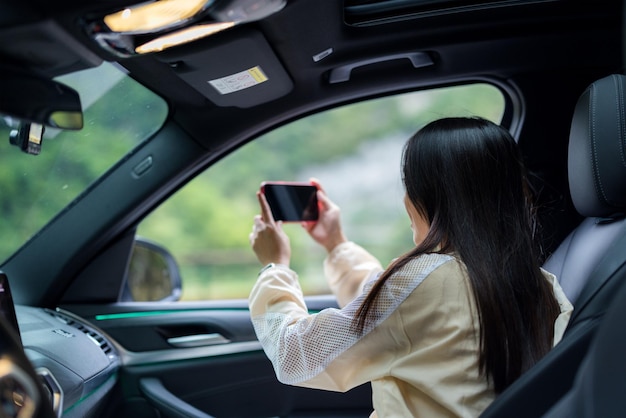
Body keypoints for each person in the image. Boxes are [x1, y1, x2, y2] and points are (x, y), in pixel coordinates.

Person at [248, 117, 573, 417]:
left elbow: (296, 354)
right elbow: (392, 311)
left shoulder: (428, 281)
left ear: (428, 197)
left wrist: (275, 266)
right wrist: (336, 244)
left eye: (409, 185)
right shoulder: (545, 288)